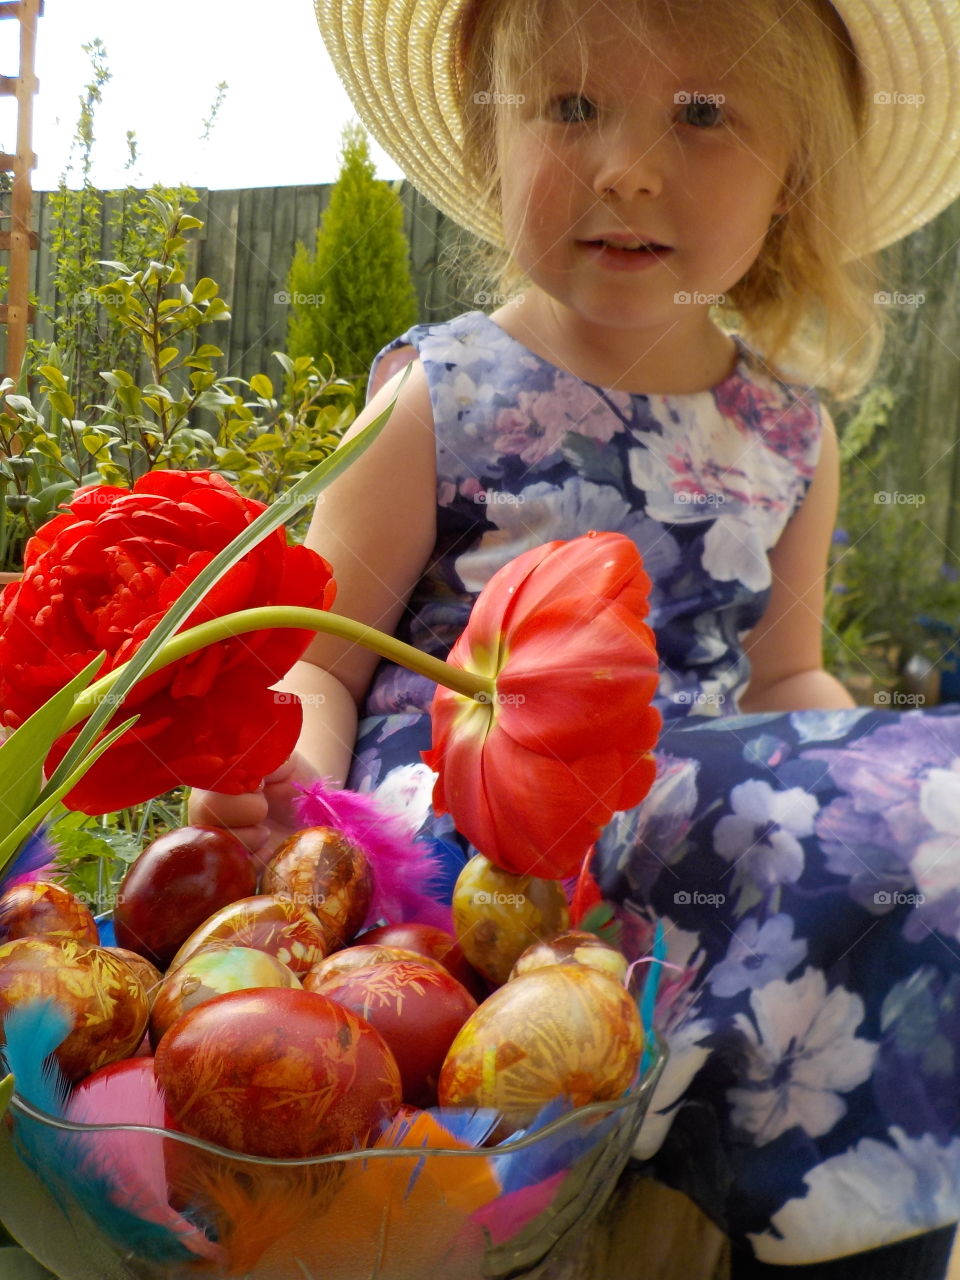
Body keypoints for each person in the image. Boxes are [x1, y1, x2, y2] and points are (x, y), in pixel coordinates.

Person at [190, 0, 960, 1273]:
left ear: (793, 179)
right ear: (497, 141)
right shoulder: (440, 392)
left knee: (919, 814)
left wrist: (850, 760)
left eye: (703, 115)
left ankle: (844, 1216)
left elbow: (784, 673)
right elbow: (322, 654)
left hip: (702, 828)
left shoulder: (785, 432)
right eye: (571, 106)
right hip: (479, 831)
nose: (627, 165)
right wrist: (287, 779)